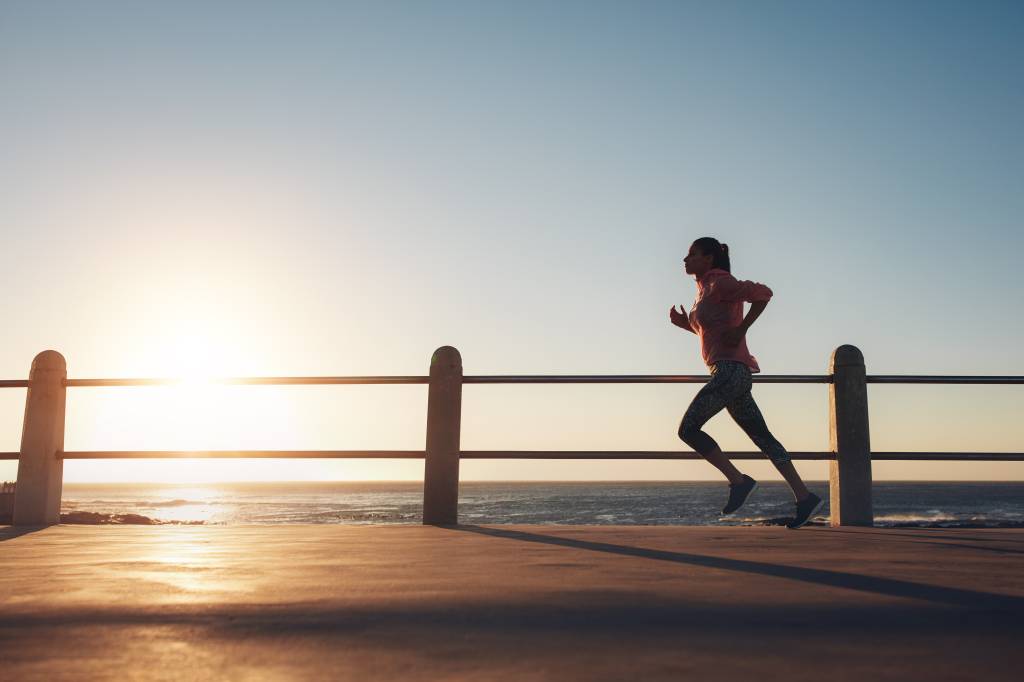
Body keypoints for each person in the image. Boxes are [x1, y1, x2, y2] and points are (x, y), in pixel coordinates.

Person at [669, 237, 823, 529]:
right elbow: (712, 331)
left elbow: (763, 293)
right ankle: (805, 498)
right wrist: (685, 325)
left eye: (692, 254)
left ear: (710, 258)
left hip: (730, 372)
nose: (685, 259)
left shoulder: (720, 282)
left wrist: (742, 329)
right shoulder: (703, 290)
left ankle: (738, 481)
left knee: (688, 429)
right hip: (731, 373)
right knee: (763, 438)